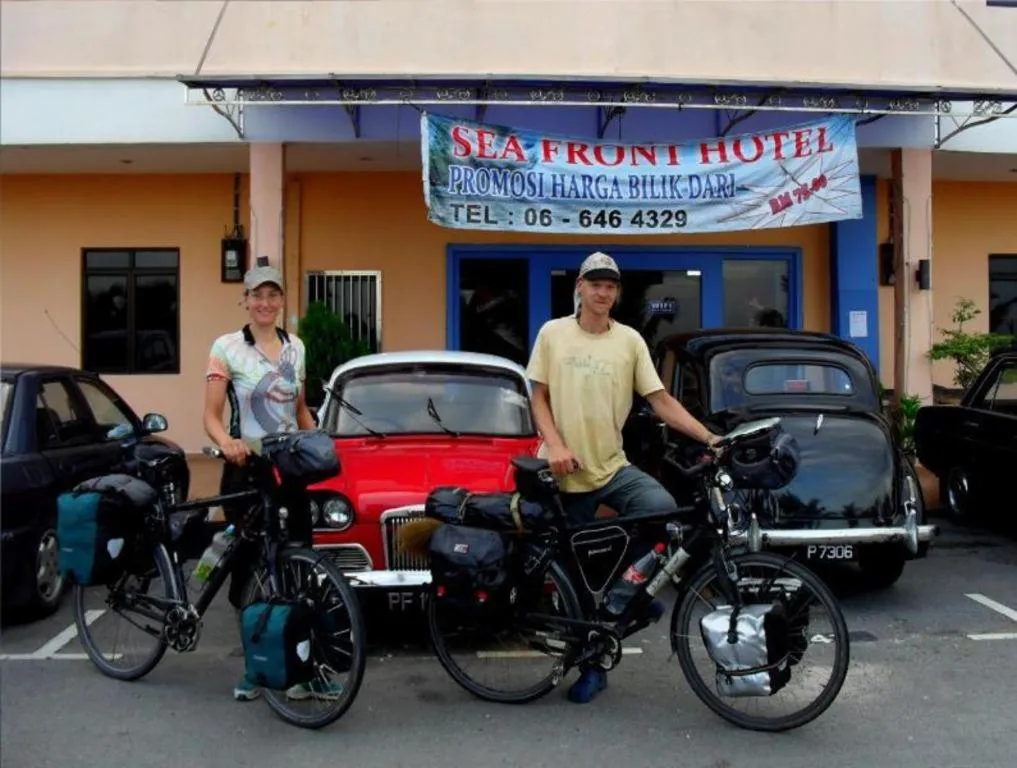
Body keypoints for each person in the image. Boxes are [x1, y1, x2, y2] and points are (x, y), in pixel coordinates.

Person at [525, 251, 721, 705]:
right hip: (564, 475)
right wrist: (554, 445)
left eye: (610, 286)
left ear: (617, 292)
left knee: (661, 513)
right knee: (577, 585)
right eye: (595, 283)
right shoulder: (553, 334)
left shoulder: (630, 340)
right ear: (579, 286)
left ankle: (628, 593)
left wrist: (710, 438)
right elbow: (538, 398)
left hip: (612, 467)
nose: (602, 292)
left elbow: (661, 400)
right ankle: (592, 667)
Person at [202, 256, 337, 703]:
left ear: (281, 300)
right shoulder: (226, 348)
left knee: (299, 569)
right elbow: (211, 416)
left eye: (273, 294)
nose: (265, 301)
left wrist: (317, 437)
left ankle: (302, 669)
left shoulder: (295, 347)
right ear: (245, 300)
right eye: (257, 294)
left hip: (287, 470)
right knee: (250, 571)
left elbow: (298, 413)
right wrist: (228, 443)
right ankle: (254, 668)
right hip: (244, 471)